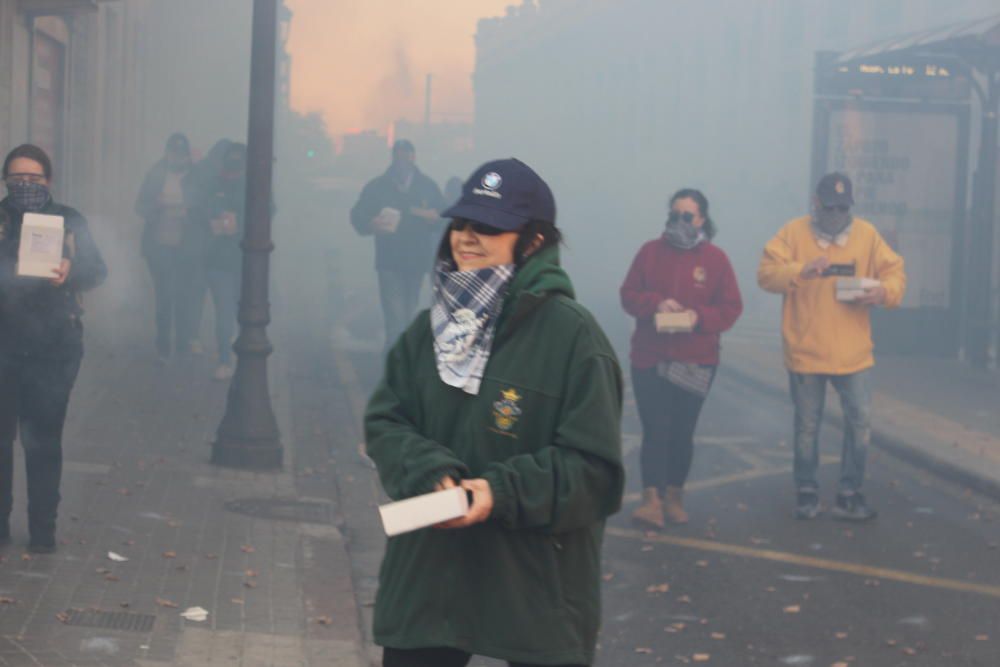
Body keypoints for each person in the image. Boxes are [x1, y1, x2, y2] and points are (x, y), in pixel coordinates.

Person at [365, 158, 624, 667]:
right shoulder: (428, 328)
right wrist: (428, 471)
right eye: (461, 223)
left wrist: (497, 492)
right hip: (430, 583)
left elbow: (594, 471)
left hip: (533, 589)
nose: (466, 237)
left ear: (532, 242)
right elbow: (385, 420)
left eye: (488, 227)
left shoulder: (574, 337)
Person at [758, 172, 906, 521]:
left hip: (854, 353)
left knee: (860, 423)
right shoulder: (792, 233)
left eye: (843, 207)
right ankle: (806, 490)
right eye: (830, 206)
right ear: (816, 203)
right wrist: (800, 270)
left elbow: (895, 272)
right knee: (807, 426)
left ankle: (849, 493)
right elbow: (766, 274)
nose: (837, 213)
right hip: (806, 350)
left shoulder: (867, 235)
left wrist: (884, 292)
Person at [0, 144, 107, 552]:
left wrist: (70, 270)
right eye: (16, 178)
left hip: (53, 348)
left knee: (43, 440)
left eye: (34, 178)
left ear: (49, 180)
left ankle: (43, 530)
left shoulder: (68, 220)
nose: (25, 185)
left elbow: (98, 269)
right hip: (3, 346)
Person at [621, 189, 742, 528]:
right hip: (650, 356)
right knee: (655, 428)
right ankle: (651, 500)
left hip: (696, 359)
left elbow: (731, 308)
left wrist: (698, 317)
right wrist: (655, 303)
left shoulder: (716, 260)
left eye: (687, 216)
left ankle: (674, 495)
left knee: (682, 430)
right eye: (674, 215)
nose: (679, 222)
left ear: (702, 219)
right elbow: (628, 295)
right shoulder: (649, 252)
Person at [350, 140, 446, 348]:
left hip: (416, 261)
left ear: (413, 157)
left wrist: (434, 218)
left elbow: (444, 217)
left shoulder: (427, 187)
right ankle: (394, 367)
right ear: (393, 158)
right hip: (389, 261)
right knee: (395, 319)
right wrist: (370, 223)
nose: (402, 161)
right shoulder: (377, 187)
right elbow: (358, 214)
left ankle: (402, 362)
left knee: (408, 312)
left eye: (406, 156)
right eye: (399, 156)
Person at [135, 133, 198, 361]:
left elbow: (205, 209)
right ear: (167, 153)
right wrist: (156, 205)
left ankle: (182, 344)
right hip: (158, 245)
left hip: (186, 246)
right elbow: (140, 207)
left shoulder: (196, 176)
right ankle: (162, 345)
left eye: (181, 154)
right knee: (164, 296)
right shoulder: (155, 174)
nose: (177, 159)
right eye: (173, 153)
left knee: (183, 296)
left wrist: (189, 212)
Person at [188, 140, 246, 381]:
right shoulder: (211, 184)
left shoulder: (253, 186)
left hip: (246, 259)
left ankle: (237, 349)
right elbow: (196, 211)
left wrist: (239, 225)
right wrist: (210, 224)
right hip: (218, 258)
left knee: (240, 308)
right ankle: (224, 358)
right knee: (224, 309)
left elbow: (268, 212)